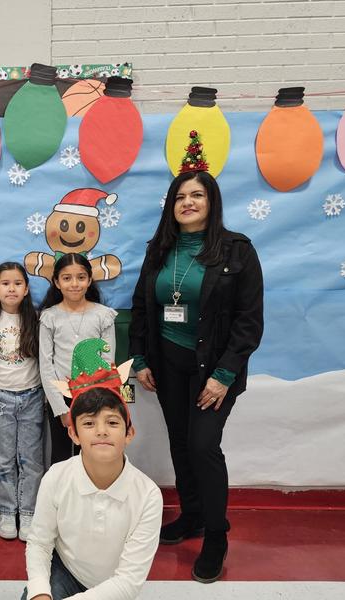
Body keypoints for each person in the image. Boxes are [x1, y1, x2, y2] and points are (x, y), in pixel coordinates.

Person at [129, 169, 264, 583]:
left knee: (204, 445)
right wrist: (140, 358)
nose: (187, 202)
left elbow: (249, 321)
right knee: (181, 443)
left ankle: (217, 535)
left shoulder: (237, 250)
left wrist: (224, 375)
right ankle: (192, 516)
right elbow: (140, 308)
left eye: (197, 195)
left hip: (214, 370)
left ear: (211, 202)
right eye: (180, 196)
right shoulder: (160, 249)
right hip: (168, 364)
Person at [23, 338, 162, 600]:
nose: (101, 431)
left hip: (115, 588)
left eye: (112, 422)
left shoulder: (148, 495)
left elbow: (129, 582)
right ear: (73, 434)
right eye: (88, 424)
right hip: (64, 573)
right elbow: (40, 543)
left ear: (129, 433)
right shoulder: (57, 476)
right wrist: (40, 593)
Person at [0, 262, 44, 542]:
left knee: (31, 459)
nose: (11, 288)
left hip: (32, 395)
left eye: (18, 283)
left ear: (26, 288)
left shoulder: (36, 319)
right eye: (5, 283)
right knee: (3, 458)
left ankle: (28, 512)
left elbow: (45, 361)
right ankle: (7, 510)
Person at [39, 253, 117, 465]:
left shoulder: (104, 315)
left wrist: (99, 400)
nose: (74, 284)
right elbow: (46, 365)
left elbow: (108, 361)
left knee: (91, 455)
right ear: (56, 282)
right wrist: (61, 408)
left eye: (81, 277)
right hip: (60, 397)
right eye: (67, 278)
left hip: (94, 396)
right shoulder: (49, 317)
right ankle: (62, 499)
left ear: (90, 280)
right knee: (62, 457)